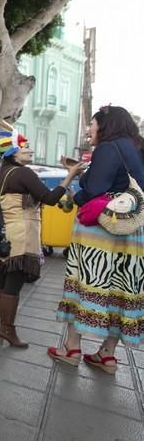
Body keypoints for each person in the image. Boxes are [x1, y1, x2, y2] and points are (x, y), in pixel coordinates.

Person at [48, 105, 144, 372]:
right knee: (120, 291)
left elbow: (93, 190)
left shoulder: (107, 148)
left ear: (105, 125)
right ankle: (107, 355)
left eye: (92, 124)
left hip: (100, 232)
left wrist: (75, 193)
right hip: (133, 230)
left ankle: (71, 347)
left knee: (86, 284)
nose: (89, 129)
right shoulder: (138, 148)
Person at [0, 121, 85, 346]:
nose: (30, 150)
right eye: (25, 148)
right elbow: (50, 198)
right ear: (14, 154)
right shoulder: (23, 173)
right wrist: (70, 176)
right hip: (22, 235)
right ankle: (7, 330)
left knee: (2, 278)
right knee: (14, 284)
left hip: (7, 233)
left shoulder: (1, 175)